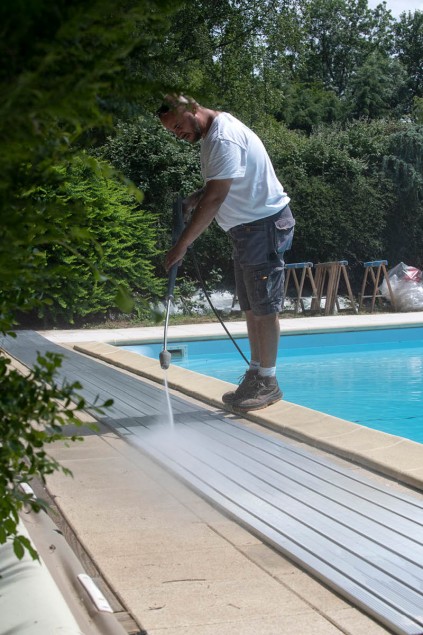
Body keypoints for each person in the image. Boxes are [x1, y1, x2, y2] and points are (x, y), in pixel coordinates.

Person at [157, 95, 294, 412]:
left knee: (264, 308)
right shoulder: (210, 135)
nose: (178, 133)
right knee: (250, 307)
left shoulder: (223, 136)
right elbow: (221, 183)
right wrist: (194, 198)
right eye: (172, 131)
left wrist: (183, 244)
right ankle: (256, 373)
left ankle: (269, 382)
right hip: (247, 231)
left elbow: (217, 196)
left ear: (193, 109)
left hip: (264, 226)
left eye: (179, 125)